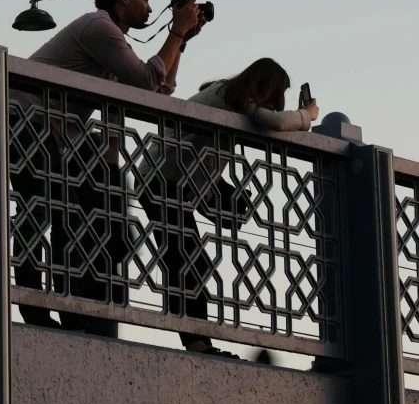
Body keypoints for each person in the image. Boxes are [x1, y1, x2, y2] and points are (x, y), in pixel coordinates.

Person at [10, 0, 205, 331]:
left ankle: (56, 306)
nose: (150, 7)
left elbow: (158, 92)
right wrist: (176, 31)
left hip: (45, 132)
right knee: (39, 211)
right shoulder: (99, 27)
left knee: (51, 212)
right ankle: (33, 306)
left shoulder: (114, 42)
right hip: (25, 124)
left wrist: (182, 39)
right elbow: (148, 82)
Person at [137, 58, 319, 360]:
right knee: (187, 260)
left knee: (192, 259)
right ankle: (196, 342)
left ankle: (198, 339)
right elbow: (275, 123)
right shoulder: (230, 95)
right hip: (160, 179)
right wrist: (307, 115)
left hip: (173, 181)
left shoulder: (233, 99)